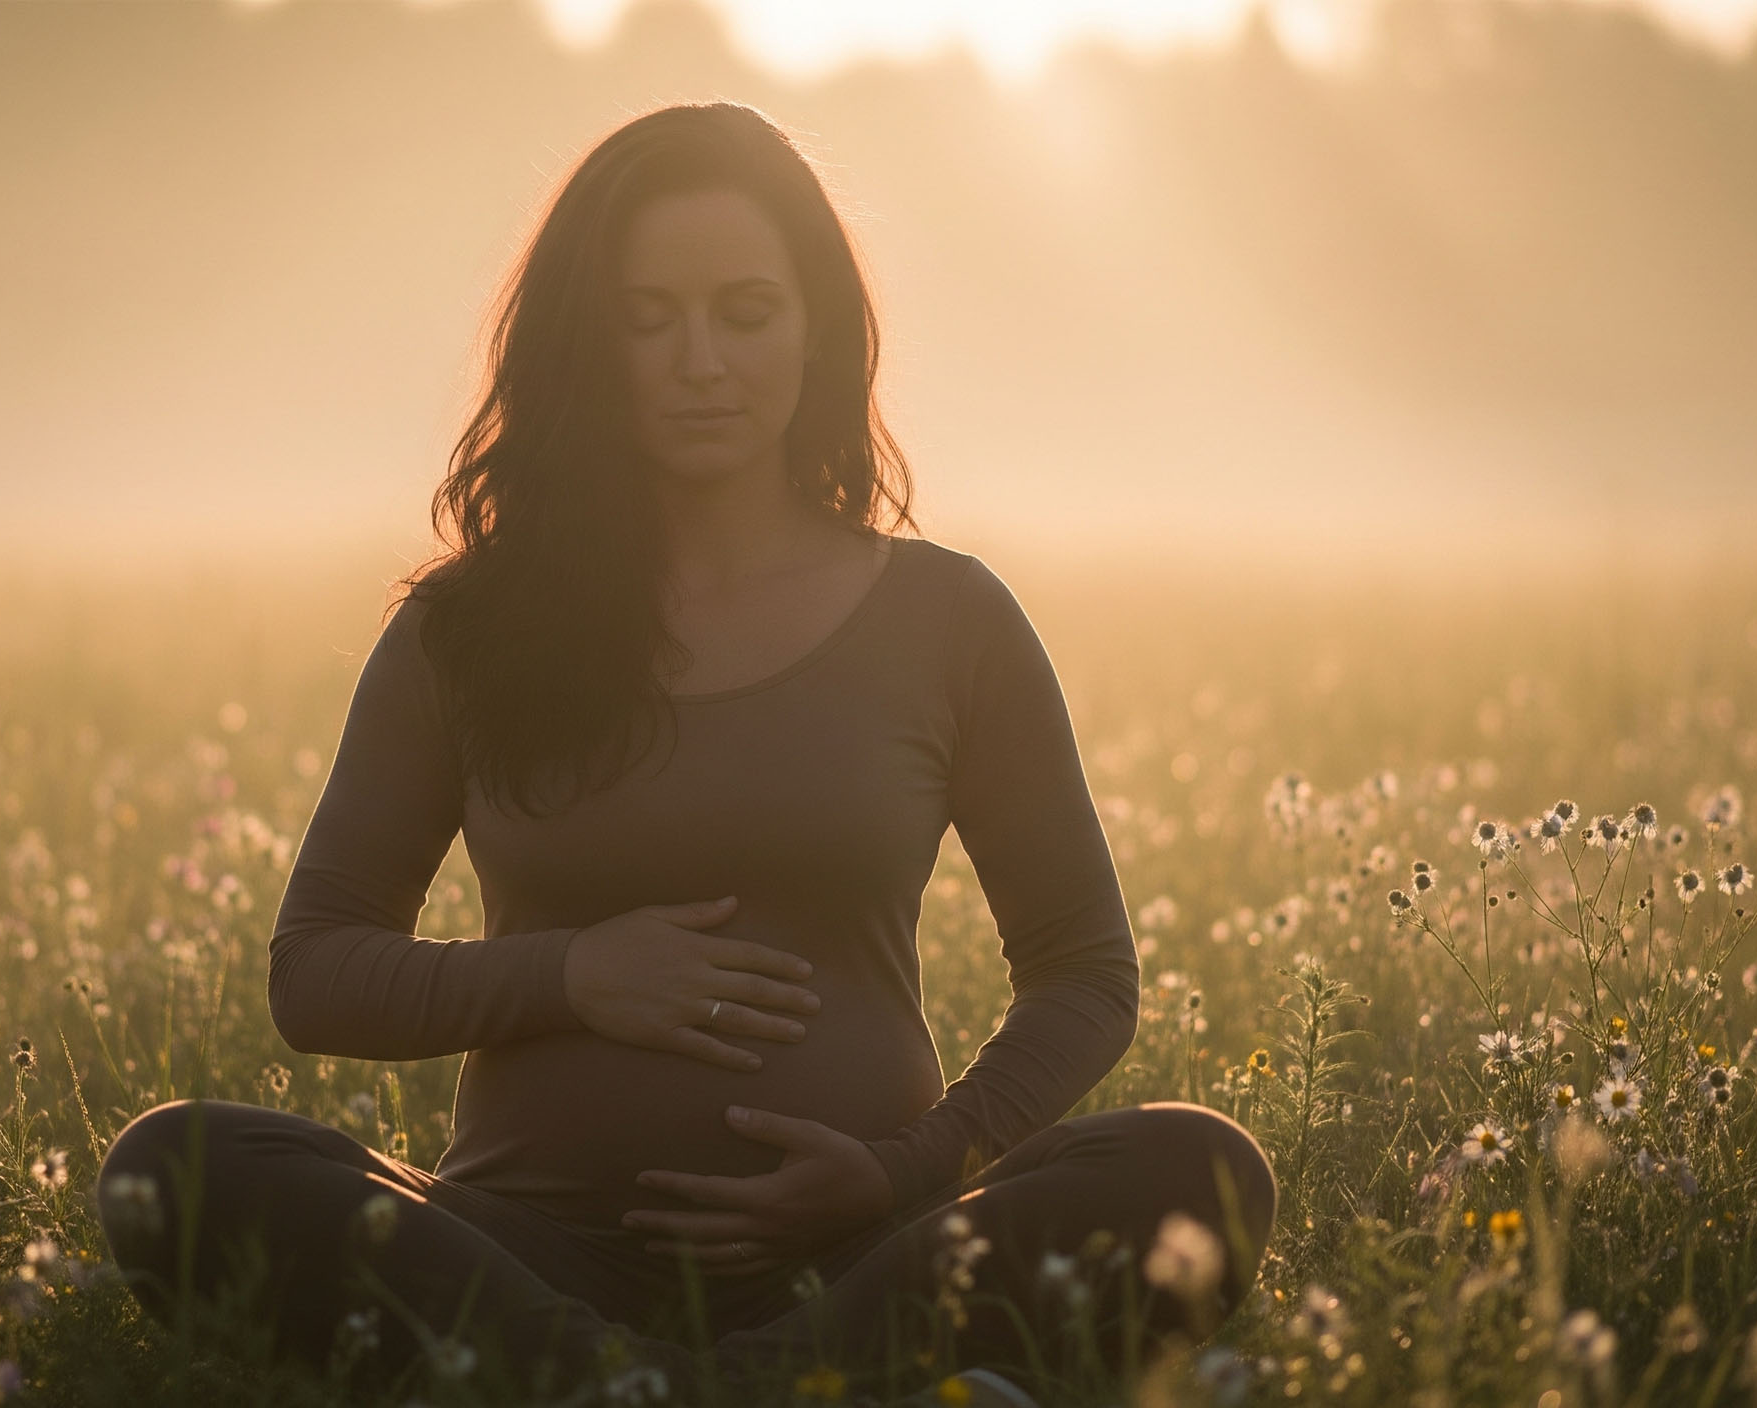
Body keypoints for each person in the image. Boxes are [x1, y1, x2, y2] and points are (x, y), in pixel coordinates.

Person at [96, 101, 1275, 1406]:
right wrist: (573, 974)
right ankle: (767, 1392)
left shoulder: (949, 618)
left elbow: (1084, 974)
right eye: (644, 318)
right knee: (174, 1172)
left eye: (745, 312)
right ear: (580, 345)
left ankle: (621, 1394)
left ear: (818, 327)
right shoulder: (467, 627)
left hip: (857, 1254)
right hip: (515, 1256)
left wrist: (908, 1171)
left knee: (1201, 1171)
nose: (698, 360)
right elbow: (314, 975)